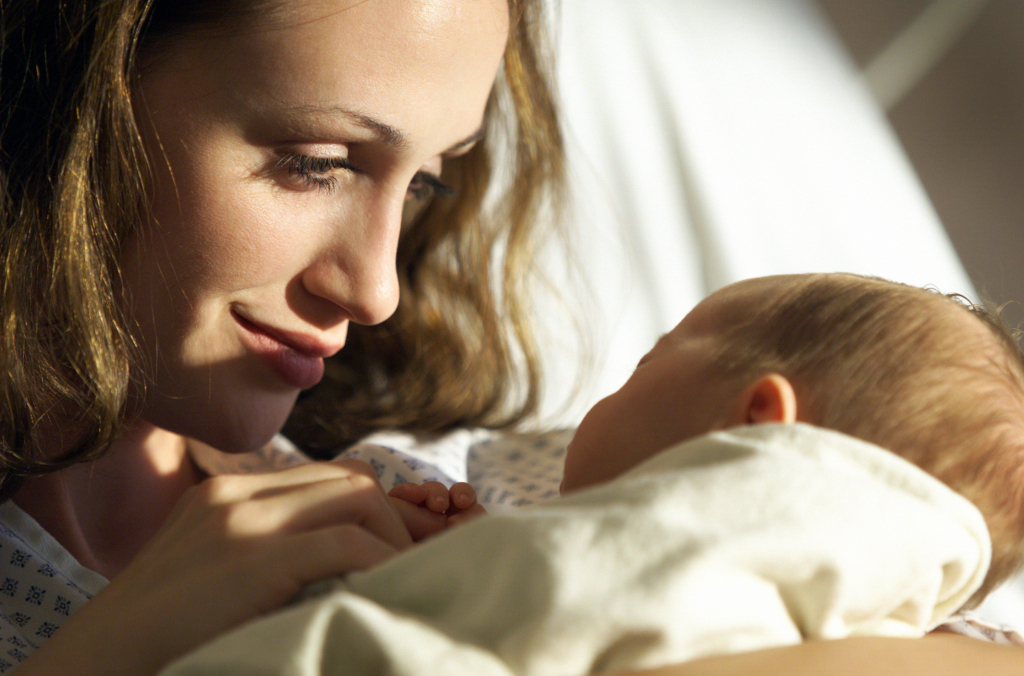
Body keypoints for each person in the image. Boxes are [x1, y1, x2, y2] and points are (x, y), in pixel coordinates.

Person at [0, 0, 1020, 673]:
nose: (374, 289)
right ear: (64, 101)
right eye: (315, 162)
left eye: (430, 179)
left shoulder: (545, 473)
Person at [163, 272, 1024, 675]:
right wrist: (476, 556)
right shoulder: (894, 618)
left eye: (648, 361)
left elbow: (559, 597)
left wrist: (458, 567)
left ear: (758, 421)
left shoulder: (718, 534)